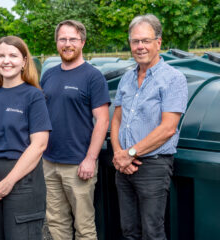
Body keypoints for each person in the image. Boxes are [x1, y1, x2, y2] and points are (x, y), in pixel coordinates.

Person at [111, 14, 188, 240]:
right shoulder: (126, 78)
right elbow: (117, 119)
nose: (140, 46)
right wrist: (118, 154)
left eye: (145, 40)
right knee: (128, 230)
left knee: (152, 233)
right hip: (123, 166)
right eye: (135, 41)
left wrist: (130, 154)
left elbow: (168, 129)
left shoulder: (174, 79)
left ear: (158, 42)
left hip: (153, 167)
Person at [0, 36, 52, 239]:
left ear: (24, 61)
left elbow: (39, 145)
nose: (6, 61)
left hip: (22, 180)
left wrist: (10, 181)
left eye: (13, 55)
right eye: (1, 56)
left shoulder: (33, 96)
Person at [41, 20, 110, 239]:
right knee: (56, 222)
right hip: (49, 162)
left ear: (82, 42)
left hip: (78, 164)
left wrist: (90, 159)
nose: (67, 44)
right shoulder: (48, 75)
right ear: (56, 42)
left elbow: (102, 120)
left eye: (73, 39)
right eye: (63, 39)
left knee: (84, 226)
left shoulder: (93, 76)